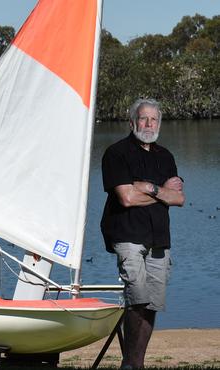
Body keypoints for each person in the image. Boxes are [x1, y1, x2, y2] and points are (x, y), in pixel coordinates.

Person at [100, 98, 185, 369]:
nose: (149, 124)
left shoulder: (165, 156)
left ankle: (137, 363)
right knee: (137, 297)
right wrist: (163, 192)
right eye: (144, 119)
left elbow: (179, 199)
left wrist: (149, 188)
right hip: (127, 234)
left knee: (151, 304)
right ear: (132, 122)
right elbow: (126, 198)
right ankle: (130, 363)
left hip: (159, 238)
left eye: (154, 119)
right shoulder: (116, 153)